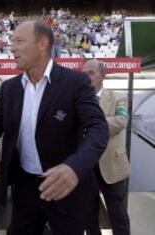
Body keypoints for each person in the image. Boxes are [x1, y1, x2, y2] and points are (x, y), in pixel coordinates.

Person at [0, 20, 109, 235]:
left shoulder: (75, 82)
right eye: (11, 41)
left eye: (19, 41)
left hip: (64, 186)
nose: (11, 47)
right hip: (26, 186)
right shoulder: (10, 88)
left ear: (42, 43)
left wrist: (75, 167)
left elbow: (99, 129)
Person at [82, 59, 131, 235]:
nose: (86, 77)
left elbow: (121, 121)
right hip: (86, 167)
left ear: (103, 75)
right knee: (89, 215)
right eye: (83, 73)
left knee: (118, 214)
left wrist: (91, 126)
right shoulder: (77, 99)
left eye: (91, 73)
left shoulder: (119, 97)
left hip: (113, 166)